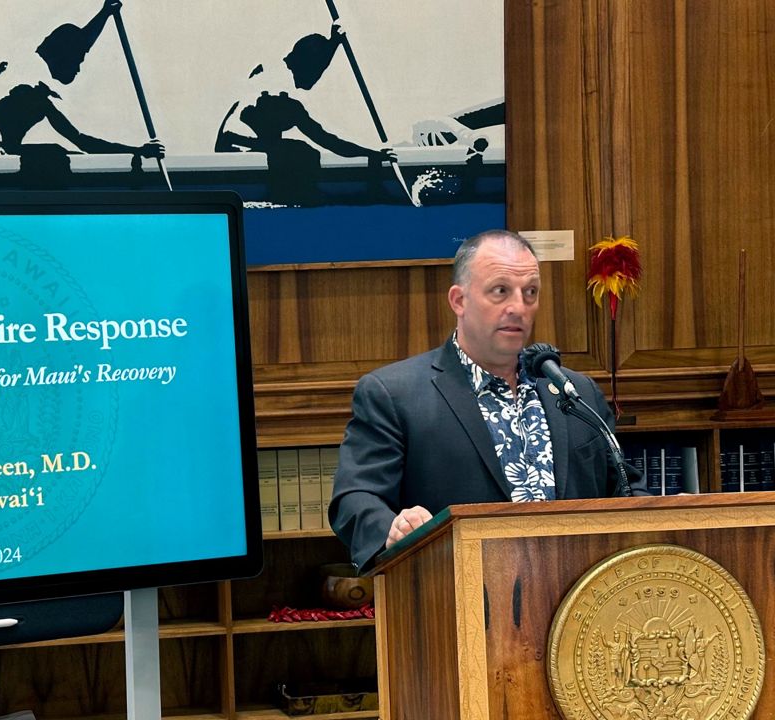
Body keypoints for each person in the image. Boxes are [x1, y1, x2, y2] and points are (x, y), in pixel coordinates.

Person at [327, 230, 647, 571]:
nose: (518, 307)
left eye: (530, 293)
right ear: (459, 300)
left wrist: (673, 518)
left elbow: (624, 489)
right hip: (458, 598)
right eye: (500, 291)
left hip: (578, 603)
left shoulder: (574, 392)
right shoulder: (394, 394)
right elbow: (354, 499)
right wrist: (393, 528)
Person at [0, 0, 164, 189]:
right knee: (56, 155)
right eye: (79, 60)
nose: (79, 68)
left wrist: (105, 14)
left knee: (67, 154)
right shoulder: (25, 81)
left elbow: (82, 141)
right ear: (64, 55)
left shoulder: (39, 95)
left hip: (1, 149)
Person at [214, 23, 395, 205]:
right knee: (302, 153)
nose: (317, 79)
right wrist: (372, 155)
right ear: (305, 66)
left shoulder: (274, 73)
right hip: (235, 149)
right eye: (317, 71)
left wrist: (333, 44)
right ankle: (292, 201)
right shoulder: (283, 99)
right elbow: (327, 140)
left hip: (244, 143)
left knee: (293, 151)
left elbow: (310, 66)